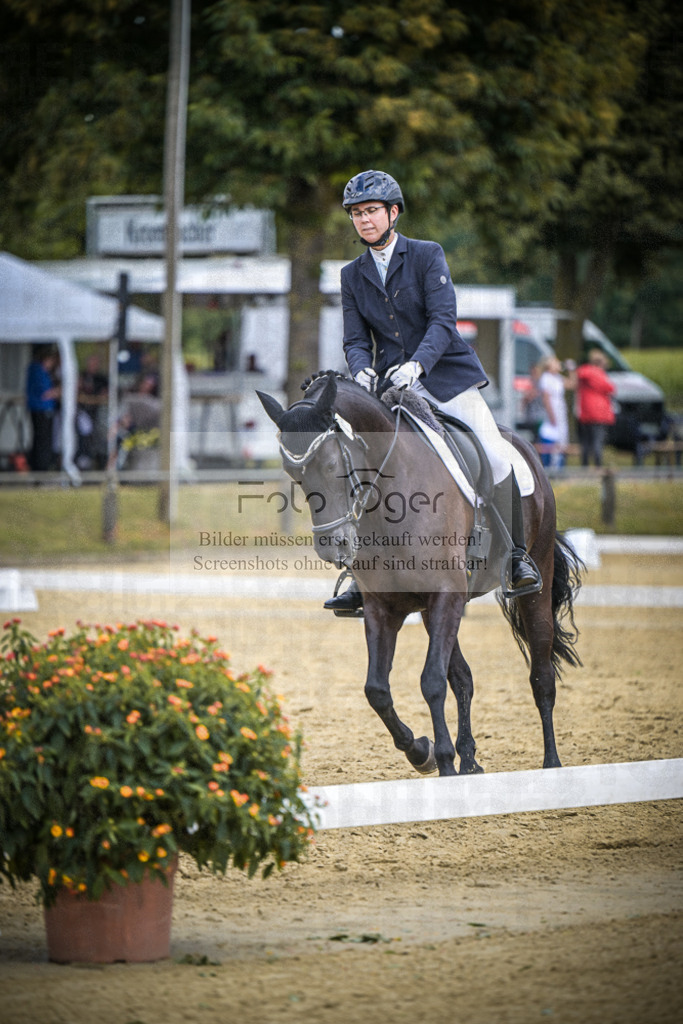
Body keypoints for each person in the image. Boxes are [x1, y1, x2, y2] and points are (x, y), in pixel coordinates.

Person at [325, 169, 542, 613]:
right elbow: (355, 339)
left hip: (444, 378)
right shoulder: (352, 275)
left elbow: (443, 320)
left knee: (495, 454)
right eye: (356, 213)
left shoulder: (426, 255)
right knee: (361, 465)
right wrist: (362, 370)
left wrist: (418, 364)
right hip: (390, 388)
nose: (364, 220)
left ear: (393, 212)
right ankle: (360, 573)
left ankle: (517, 557)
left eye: (371, 211)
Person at [576, 349, 615, 467]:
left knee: (586, 442)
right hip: (600, 414)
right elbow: (611, 388)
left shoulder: (584, 372)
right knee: (598, 441)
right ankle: (598, 466)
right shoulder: (600, 375)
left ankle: (584, 466)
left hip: (585, 413)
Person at [536, 356, 575, 470]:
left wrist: (571, 370)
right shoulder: (546, 378)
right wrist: (552, 416)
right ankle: (551, 466)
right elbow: (546, 398)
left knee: (562, 440)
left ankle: (559, 466)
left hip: (560, 411)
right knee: (552, 438)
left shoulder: (558, 378)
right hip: (553, 413)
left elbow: (572, 384)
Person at [25, 345, 60, 471]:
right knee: (43, 441)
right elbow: (45, 393)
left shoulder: (34, 369)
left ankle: (36, 465)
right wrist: (60, 390)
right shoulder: (38, 370)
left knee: (38, 439)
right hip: (42, 409)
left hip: (36, 408)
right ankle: (41, 467)